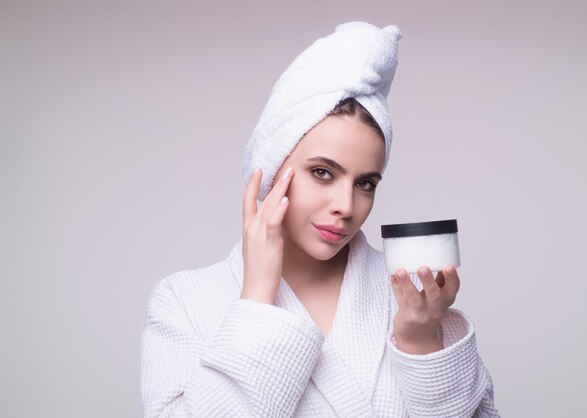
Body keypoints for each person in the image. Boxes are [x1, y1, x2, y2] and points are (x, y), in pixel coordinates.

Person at [140, 22, 499, 417]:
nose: (346, 205)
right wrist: (258, 297)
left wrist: (420, 340)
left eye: (365, 183)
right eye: (323, 173)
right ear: (272, 170)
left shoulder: (412, 297)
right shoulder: (184, 301)